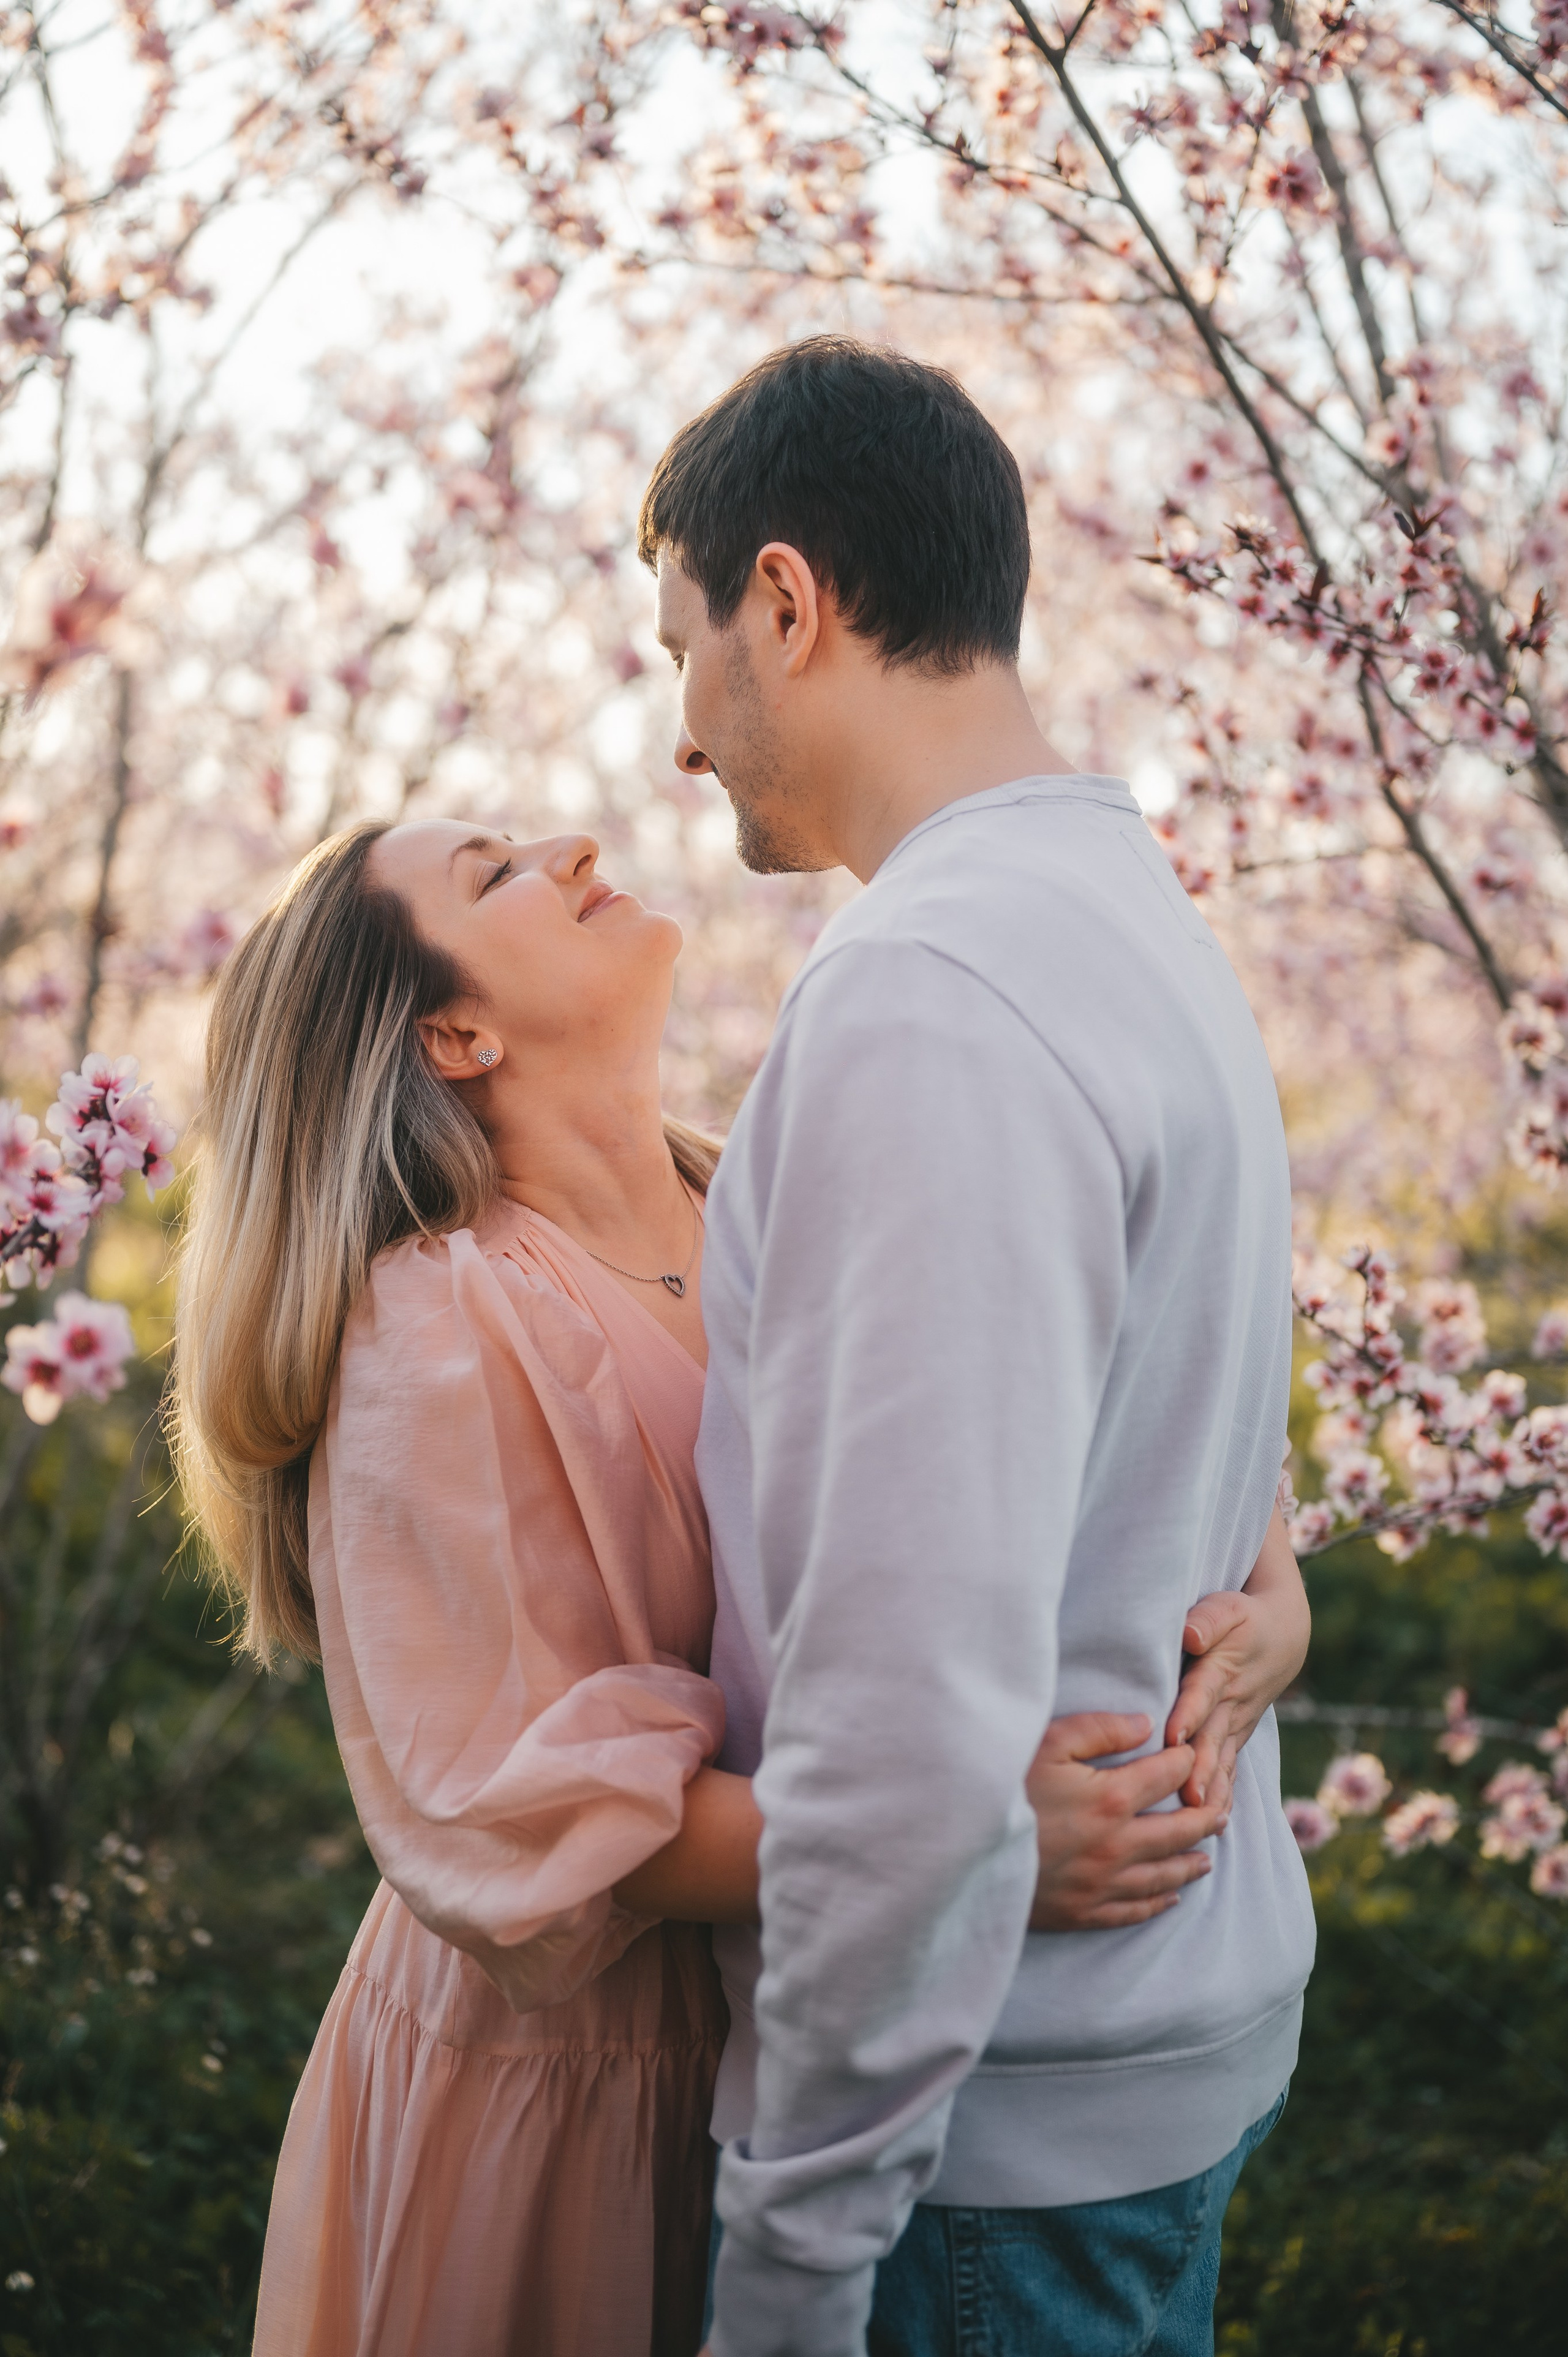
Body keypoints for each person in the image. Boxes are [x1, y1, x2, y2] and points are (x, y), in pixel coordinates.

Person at [168, 815, 1304, 2356]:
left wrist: (1267, 1590)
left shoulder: (745, 1185)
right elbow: (537, 1807)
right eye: (498, 874)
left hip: (793, 2012)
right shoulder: (439, 1328)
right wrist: (956, 1847)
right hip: (575, 2089)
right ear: (454, 1030)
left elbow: (1067, 1402)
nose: (571, 844)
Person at [636, 336, 1319, 2357]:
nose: (682, 731)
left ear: (787, 600)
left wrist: (792, 2252)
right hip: (1122, 2052)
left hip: (974, 2141)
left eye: (681, 644)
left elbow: (907, 1694)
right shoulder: (1119, 907)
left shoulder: (931, 985)